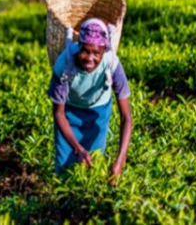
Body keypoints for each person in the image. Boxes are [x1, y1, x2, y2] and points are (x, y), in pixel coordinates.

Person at [47, 18, 132, 183]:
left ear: (104, 51)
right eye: (85, 51)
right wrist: (78, 149)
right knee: (65, 170)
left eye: (96, 53)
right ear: (78, 47)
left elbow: (126, 117)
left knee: (94, 166)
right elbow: (58, 114)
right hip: (68, 114)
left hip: (97, 113)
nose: (89, 58)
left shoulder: (112, 63)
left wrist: (120, 161)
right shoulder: (64, 65)